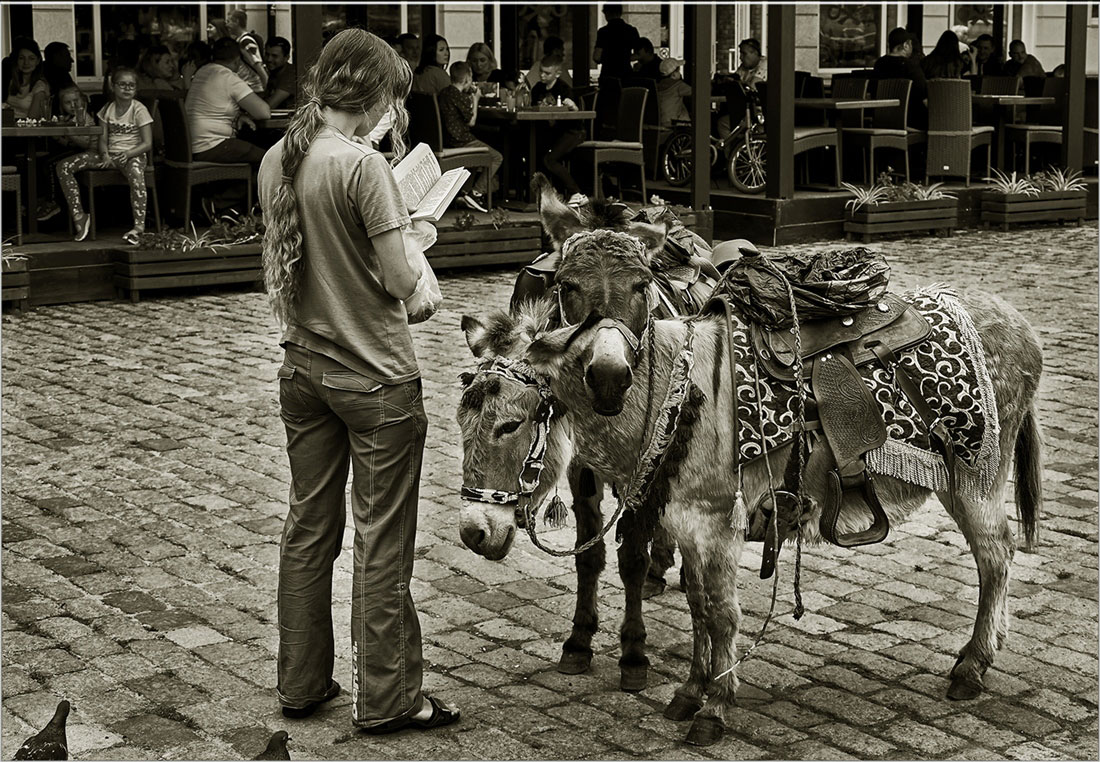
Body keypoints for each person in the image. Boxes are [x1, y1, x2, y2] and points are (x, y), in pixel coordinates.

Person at [257, 26, 460, 735]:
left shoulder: (277, 158)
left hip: (302, 369)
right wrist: (418, 233)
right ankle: (389, 697)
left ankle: (302, 681)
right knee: (382, 541)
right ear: (373, 94)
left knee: (308, 528)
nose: (393, 116)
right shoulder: (362, 168)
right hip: (375, 378)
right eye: (393, 100)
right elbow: (403, 284)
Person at [57, 67, 153, 244]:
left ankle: (138, 228)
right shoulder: (107, 109)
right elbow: (102, 139)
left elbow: (147, 143)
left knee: (137, 175)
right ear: (113, 87)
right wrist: (105, 155)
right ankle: (79, 216)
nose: (127, 88)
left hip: (133, 155)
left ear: (136, 89)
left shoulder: (139, 110)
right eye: (122, 84)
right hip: (110, 155)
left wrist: (128, 154)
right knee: (63, 166)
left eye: (131, 85)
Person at [185, 37, 271, 217]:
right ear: (238, 60)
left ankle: (231, 209)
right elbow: (264, 112)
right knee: (270, 161)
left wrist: (240, 115)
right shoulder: (228, 77)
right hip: (213, 144)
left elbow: (214, 104)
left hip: (192, 144)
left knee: (253, 155)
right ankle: (219, 204)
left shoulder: (203, 72)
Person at [437, 61, 502, 212]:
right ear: (467, 79)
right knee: (496, 157)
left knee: (477, 158)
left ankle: (462, 194)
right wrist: (476, 98)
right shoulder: (460, 97)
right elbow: (472, 122)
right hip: (461, 141)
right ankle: (475, 194)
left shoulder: (444, 93)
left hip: (447, 140)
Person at [531, 55, 585, 205]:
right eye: (541, 72)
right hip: (552, 132)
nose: (542, 75)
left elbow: (573, 110)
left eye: (547, 73)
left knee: (550, 159)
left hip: (572, 131)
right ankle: (552, 193)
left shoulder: (564, 89)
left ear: (557, 73)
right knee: (536, 152)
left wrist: (572, 106)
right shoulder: (537, 89)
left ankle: (576, 193)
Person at [873, 27, 928, 129]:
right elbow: (924, 96)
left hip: (881, 120)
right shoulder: (911, 67)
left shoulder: (879, 64)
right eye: (910, 44)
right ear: (905, 45)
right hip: (910, 122)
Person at [6, 38, 50, 119]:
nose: (26, 63)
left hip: (26, 129)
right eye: (22, 58)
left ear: (38, 61)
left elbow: (32, 119)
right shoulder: (12, 81)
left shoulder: (40, 86)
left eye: (31, 58)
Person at [593, 4, 639, 82]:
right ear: (620, 13)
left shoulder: (603, 32)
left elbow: (597, 57)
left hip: (608, 74)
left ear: (607, 13)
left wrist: (607, 59)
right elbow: (638, 54)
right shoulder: (631, 30)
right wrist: (625, 58)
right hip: (626, 74)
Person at [226, 8, 268, 94]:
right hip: (247, 88)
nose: (227, 25)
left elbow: (258, 65)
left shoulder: (246, 41)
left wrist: (267, 86)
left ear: (236, 21)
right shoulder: (240, 40)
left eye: (228, 21)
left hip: (252, 88)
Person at [656, 57, 691, 126]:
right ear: (674, 75)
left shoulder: (658, 86)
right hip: (675, 123)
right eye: (678, 71)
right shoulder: (678, 86)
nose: (679, 73)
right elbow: (698, 92)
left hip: (662, 122)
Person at [43, 42, 76, 114]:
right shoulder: (61, 75)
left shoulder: (41, 71)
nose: (72, 60)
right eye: (67, 56)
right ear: (57, 57)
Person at [264, 37, 297, 109]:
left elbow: (268, 106)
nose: (269, 59)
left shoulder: (290, 74)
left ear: (286, 57)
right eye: (267, 54)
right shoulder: (274, 72)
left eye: (274, 56)